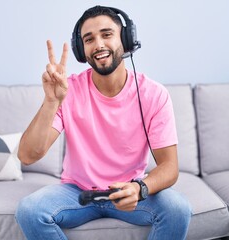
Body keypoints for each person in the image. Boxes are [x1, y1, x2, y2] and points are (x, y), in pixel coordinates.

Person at [15, 5, 192, 240]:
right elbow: (28, 155)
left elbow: (169, 167)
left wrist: (140, 188)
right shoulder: (67, 90)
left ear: (126, 40)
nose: (98, 44)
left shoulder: (153, 94)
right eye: (89, 39)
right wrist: (51, 101)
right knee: (29, 210)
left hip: (129, 190)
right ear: (81, 50)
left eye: (106, 35)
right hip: (77, 192)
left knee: (178, 208)